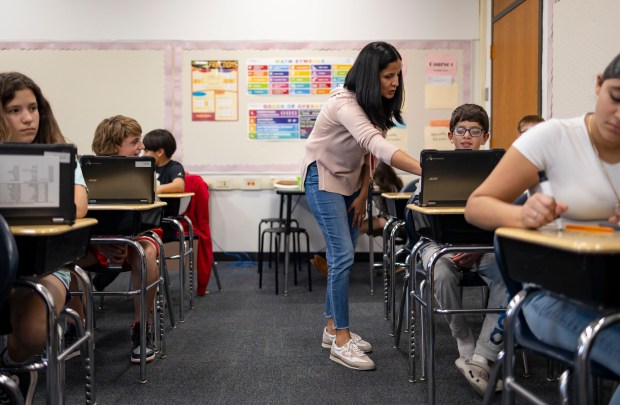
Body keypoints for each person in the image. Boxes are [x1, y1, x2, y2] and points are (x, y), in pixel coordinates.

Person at [465, 52, 620, 404]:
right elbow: (477, 206)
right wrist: (524, 216)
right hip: (551, 297)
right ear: (598, 84)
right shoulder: (556, 137)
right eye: (616, 97)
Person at [302, 41, 421, 371]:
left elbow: (367, 157)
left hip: (352, 182)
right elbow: (376, 146)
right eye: (388, 76)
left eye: (398, 75)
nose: (395, 82)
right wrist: (429, 169)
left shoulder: (374, 107)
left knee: (343, 252)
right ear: (371, 75)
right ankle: (341, 339)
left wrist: (362, 192)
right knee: (342, 256)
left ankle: (331, 328)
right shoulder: (344, 103)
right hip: (322, 177)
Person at [0, 71, 89, 403]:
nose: (28, 118)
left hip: (44, 267)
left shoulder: (60, 158)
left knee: (33, 331)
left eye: (33, 108)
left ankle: (11, 370)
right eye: (14, 110)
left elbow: (78, 206)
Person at [414, 103, 508, 396]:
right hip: (440, 246)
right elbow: (416, 218)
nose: (467, 136)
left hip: (483, 247)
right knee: (439, 271)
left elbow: (504, 217)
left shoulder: (498, 175)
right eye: (461, 130)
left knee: (508, 272)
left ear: (485, 136)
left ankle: (481, 358)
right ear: (450, 135)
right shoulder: (433, 171)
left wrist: (480, 249)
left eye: (475, 131)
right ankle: (463, 341)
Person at [75, 115, 161, 364]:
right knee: (65, 258)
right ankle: (77, 327)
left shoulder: (145, 171)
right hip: (93, 241)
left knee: (145, 254)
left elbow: (150, 215)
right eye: (134, 142)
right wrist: (101, 244)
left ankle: (142, 328)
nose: (141, 147)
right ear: (114, 146)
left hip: (135, 237)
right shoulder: (81, 173)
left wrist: (124, 242)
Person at [310, 162, 404, 279]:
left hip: (393, 223)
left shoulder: (388, 188)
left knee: (354, 227)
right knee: (354, 227)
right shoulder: (391, 185)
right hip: (386, 219)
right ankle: (332, 259)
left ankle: (331, 260)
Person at [142, 128, 185, 194]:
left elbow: (179, 186)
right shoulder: (147, 167)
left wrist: (156, 189)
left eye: (146, 151)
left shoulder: (174, 167)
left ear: (160, 152)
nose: (144, 155)